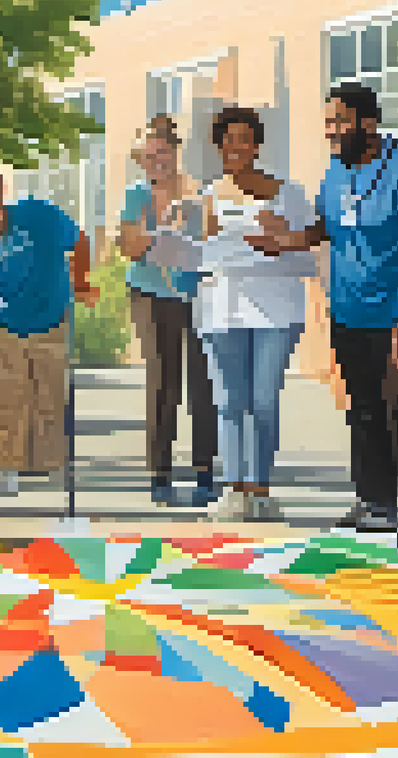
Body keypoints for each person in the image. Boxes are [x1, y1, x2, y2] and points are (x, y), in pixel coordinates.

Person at [261, 82, 398, 548]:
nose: (330, 131)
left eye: (338, 121)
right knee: (363, 410)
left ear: (367, 123)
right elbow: (326, 228)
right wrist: (283, 240)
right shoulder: (336, 171)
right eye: (327, 122)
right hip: (349, 310)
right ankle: (376, 504)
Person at [156, 107, 316, 521]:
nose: (235, 147)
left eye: (243, 139)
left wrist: (282, 237)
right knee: (228, 401)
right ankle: (233, 490)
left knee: (262, 401)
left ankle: (259, 490)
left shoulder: (287, 192)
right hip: (222, 309)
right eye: (227, 140)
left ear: (257, 145)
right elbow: (206, 252)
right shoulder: (210, 195)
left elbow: (314, 242)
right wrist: (176, 250)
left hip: (276, 310)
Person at [0, 174, 97, 497]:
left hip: (49, 313)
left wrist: (81, 280)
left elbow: (80, 240)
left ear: (4, 198)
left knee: (49, 391)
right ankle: (7, 465)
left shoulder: (40, 215)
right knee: (7, 392)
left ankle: (46, 464)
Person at [116, 116, 218, 506]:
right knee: (163, 380)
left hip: (196, 293)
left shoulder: (199, 193)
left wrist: (179, 234)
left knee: (202, 382)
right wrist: (158, 232)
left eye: (161, 153)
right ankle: (160, 473)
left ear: (175, 152)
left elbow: (212, 242)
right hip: (150, 292)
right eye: (147, 156)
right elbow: (129, 247)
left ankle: (205, 471)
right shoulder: (136, 195)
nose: (155, 161)